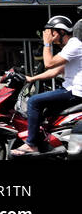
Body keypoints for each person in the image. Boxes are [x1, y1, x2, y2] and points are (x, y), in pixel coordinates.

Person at [13, 15, 82, 156]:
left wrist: (47, 43)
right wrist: (32, 78)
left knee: (33, 101)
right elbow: (55, 71)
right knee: (43, 111)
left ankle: (31, 145)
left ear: (61, 32)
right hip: (70, 88)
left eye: (51, 32)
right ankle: (50, 143)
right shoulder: (71, 46)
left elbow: (48, 63)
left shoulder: (74, 45)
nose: (48, 35)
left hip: (75, 91)